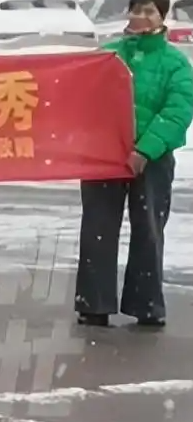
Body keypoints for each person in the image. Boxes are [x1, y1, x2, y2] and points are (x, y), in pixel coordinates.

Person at [75, 0, 193, 328]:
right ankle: (94, 303)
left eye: (149, 11)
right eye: (136, 9)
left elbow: (177, 112)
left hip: (152, 159)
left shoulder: (175, 64)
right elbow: (82, 97)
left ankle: (146, 304)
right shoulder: (107, 56)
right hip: (105, 157)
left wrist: (145, 150)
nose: (141, 17)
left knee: (149, 229)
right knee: (97, 228)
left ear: (162, 17)